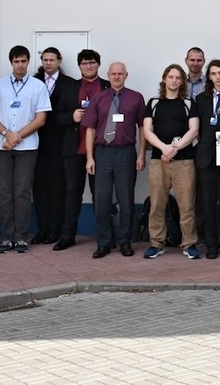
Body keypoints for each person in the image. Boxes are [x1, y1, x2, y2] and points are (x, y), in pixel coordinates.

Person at [0, 45, 51, 253]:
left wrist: (17, 137)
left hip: (28, 147)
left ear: (28, 61)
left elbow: (41, 119)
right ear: (11, 62)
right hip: (1, 147)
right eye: (17, 61)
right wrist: (7, 134)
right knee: (5, 193)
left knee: (22, 192)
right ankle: (7, 237)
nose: (20, 65)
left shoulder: (38, 86)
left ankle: (21, 237)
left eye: (24, 61)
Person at [83, 61, 147, 258]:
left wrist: (141, 153)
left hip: (126, 153)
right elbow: (90, 129)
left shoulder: (136, 98)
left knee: (126, 199)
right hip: (103, 153)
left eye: (120, 73)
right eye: (113, 74)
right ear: (108, 75)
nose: (117, 77)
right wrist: (90, 157)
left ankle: (125, 241)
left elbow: (142, 127)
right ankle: (103, 242)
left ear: (126, 75)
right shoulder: (98, 98)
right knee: (101, 199)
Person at [142, 64, 200, 260]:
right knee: (157, 204)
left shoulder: (189, 103)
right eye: (171, 77)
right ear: (164, 79)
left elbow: (194, 130)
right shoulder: (153, 103)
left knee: (187, 205)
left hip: (184, 162)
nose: (174, 80)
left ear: (182, 81)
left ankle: (189, 244)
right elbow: (147, 131)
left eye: (178, 77)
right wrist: (164, 148)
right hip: (159, 161)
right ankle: (156, 243)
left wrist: (175, 148)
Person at [55, 49, 109, 251]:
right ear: (79, 66)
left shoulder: (107, 86)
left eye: (92, 62)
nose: (88, 66)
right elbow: (56, 117)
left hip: (100, 150)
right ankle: (67, 236)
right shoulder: (69, 88)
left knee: (100, 195)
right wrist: (72, 117)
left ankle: (104, 237)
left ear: (99, 64)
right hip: (74, 149)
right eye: (85, 63)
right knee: (72, 193)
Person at [31, 47, 73, 245]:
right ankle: (43, 228)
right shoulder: (33, 81)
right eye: (45, 59)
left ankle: (56, 229)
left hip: (60, 142)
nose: (48, 63)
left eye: (52, 59)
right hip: (36, 141)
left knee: (57, 187)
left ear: (59, 61)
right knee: (39, 188)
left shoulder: (69, 84)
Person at [195, 59, 220, 258]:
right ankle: (211, 244)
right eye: (213, 73)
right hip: (206, 157)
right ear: (209, 77)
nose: (217, 77)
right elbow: (196, 129)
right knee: (207, 202)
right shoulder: (201, 99)